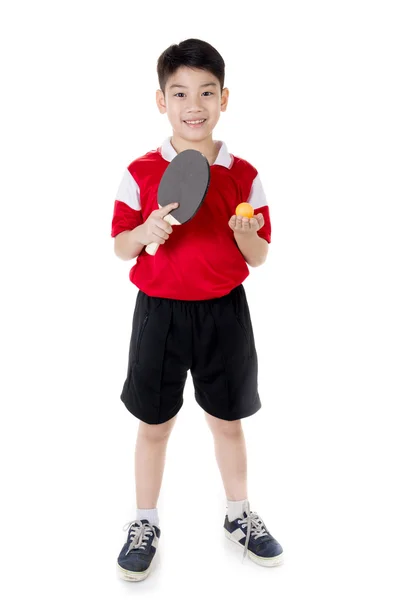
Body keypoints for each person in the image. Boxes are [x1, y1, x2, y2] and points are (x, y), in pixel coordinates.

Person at [111, 38, 283, 582]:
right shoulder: (140, 171)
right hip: (158, 313)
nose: (194, 105)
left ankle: (239, 516)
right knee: (154, 424)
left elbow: (258, 256)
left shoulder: (244, 173)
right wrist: (145, 230)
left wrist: (245, 233)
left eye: (207, 92)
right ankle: (144, 522)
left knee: (227, 421)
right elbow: (120, 246)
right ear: (161, 100)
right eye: (180, 92)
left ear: (224, 98)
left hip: (224, 314)